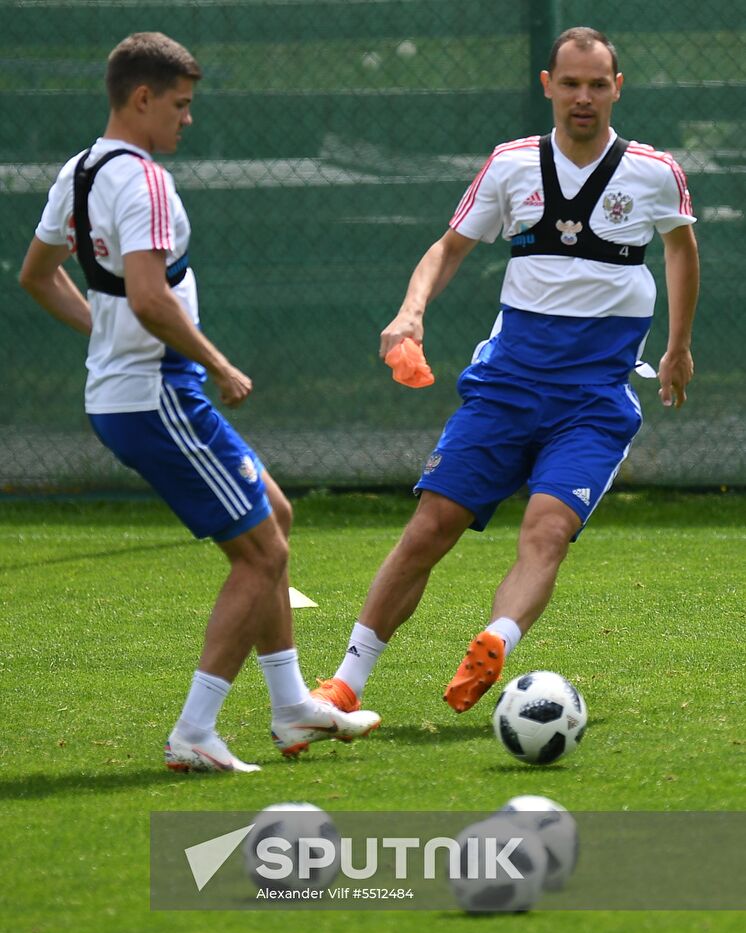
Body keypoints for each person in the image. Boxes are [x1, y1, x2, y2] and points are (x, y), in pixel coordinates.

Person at [311, 26, 699, 716]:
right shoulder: (511, 165)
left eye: (598, 84)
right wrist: (410, 313)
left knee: (546, 530)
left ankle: (495, 640)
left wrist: (677, 346)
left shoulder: (653, 172)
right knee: (431, 526)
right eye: (571, 83)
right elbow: (448, 247)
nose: (584, 97)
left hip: (594, 400)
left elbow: (680, 250)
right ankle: (346, 681)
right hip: (506, 388)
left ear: (618, 89)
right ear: (547, 86)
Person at [19, 31, 380, 772]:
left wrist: (105, 334)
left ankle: (290, 709)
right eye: (180, 105)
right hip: (158, 393)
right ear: (142, 98)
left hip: (129, 390)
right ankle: (194, 729)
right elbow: (150, 299)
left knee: (273, 519)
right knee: (262, 554)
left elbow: (36, 274)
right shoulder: (144, 181)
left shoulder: (79, 171)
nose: (189, 119)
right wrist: (217, 362)